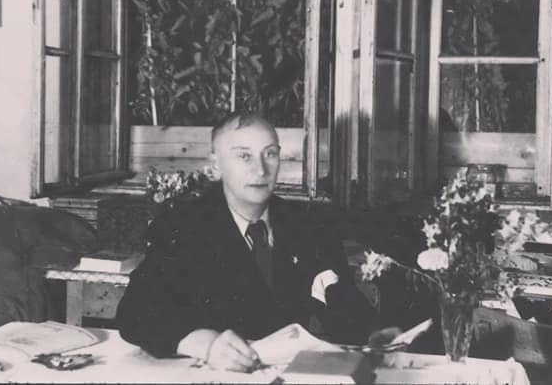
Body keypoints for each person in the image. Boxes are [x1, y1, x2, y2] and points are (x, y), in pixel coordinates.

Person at [116, 112, 379, 372]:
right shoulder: (182, 225)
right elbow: (134, 314)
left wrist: (374, 334)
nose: (261, 170)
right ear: (216, 165)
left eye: (270, 154)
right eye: (244, 156)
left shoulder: (308, 225)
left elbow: (348, 319)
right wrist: (205, 344)